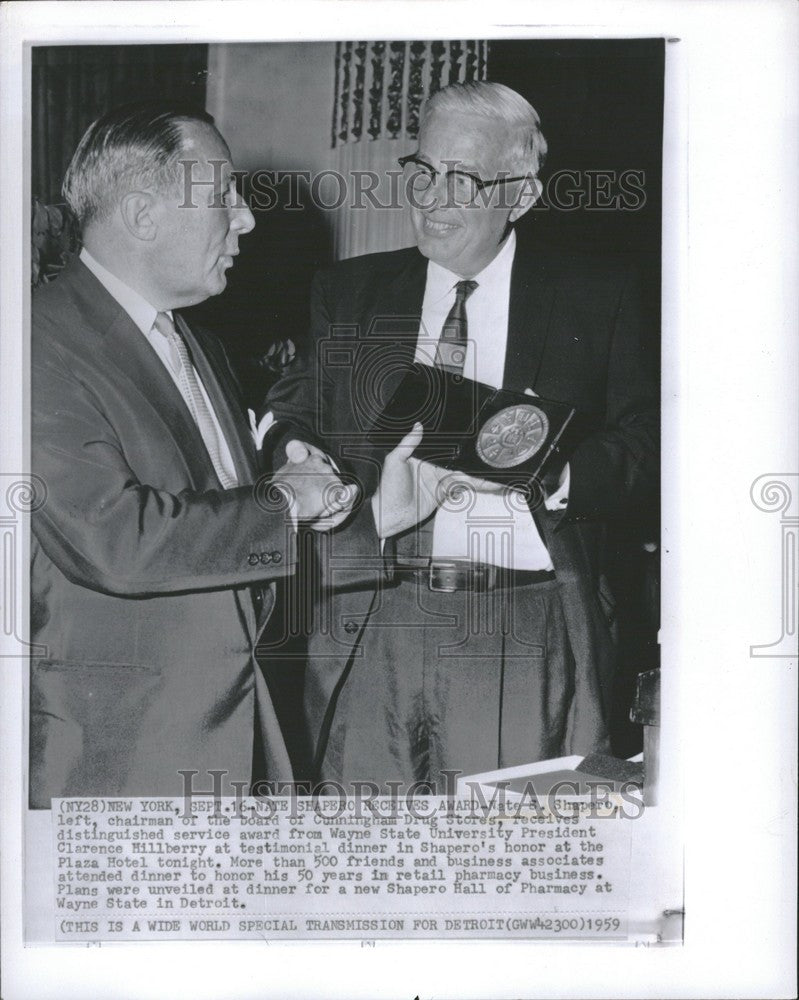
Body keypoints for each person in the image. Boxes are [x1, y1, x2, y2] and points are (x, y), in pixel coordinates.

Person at [266, 81, 659, 793]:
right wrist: (293, 450)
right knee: (364, 860)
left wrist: (554, 468)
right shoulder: (347, 293)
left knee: (513, 857)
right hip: (374, 616)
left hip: (525, 621)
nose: (431, 197)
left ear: (522, 195)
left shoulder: (598, 296)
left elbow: (651, 444)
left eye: (464, 178)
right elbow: (294, 416)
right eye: (423, 170)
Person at [29, 102, 370, 806]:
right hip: (117, 761)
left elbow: (225, 520)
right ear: (143, 215)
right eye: (223, 197)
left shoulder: (199, 345)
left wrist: (323, 479)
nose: (244, 219)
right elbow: (117, 539)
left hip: (239, 741)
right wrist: (287, 500)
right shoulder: (34, 341)